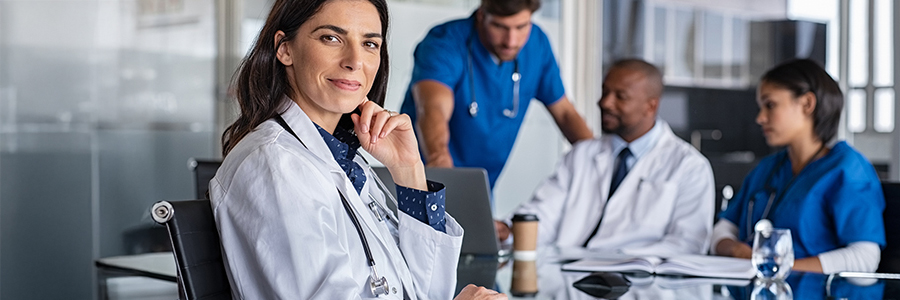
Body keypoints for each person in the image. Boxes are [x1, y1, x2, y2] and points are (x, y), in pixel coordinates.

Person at [209, 0, 506, 299]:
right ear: (285, 48)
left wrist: (409, 170)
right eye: (331, 38)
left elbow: (427, 291)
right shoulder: (274, 165)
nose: (355, 61)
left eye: (369, 44)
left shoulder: (345, 160)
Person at [495, 59, 715, 256]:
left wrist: (614, 258)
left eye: (620, 97)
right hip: (568, 282)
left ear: (651, 106)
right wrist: (508, 231)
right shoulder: (582, 154)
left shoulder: (689, 166)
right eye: (605, 91)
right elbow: (544, 214)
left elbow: (687, 245)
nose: (605, 103)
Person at [712, 59, 886, 273]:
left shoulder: (848, 170)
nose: (760, 118)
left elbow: (864, 260)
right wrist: (734, 249)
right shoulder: (768, 168)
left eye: (770, 105)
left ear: (806, 104)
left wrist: (778, 268)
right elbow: (723, 229)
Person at [400, 0, 593, 189]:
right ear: (481, 15)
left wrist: (602, 162)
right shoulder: (444, 42)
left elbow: (565, 114)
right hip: (426, 179)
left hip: (480, 187)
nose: (511, 41)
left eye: (521, 26)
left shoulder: (537, 45)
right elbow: (433, 108)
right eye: (500, 27)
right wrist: (441, 168)